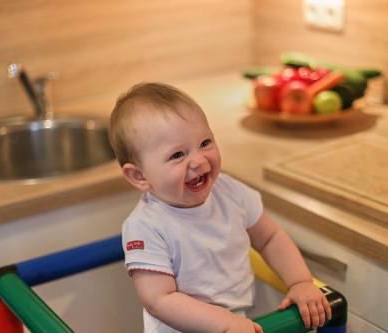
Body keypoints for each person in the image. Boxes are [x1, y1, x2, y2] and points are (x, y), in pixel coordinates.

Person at [109, 82, 331, 333]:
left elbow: (269, 238)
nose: (198, 160)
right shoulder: (146, 227)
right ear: (139, 176)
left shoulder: (229, 191)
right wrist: (224, 323)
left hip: (239, 323)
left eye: (204, 143)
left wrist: (300, 281)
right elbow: (159, 300)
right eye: (177, 155)